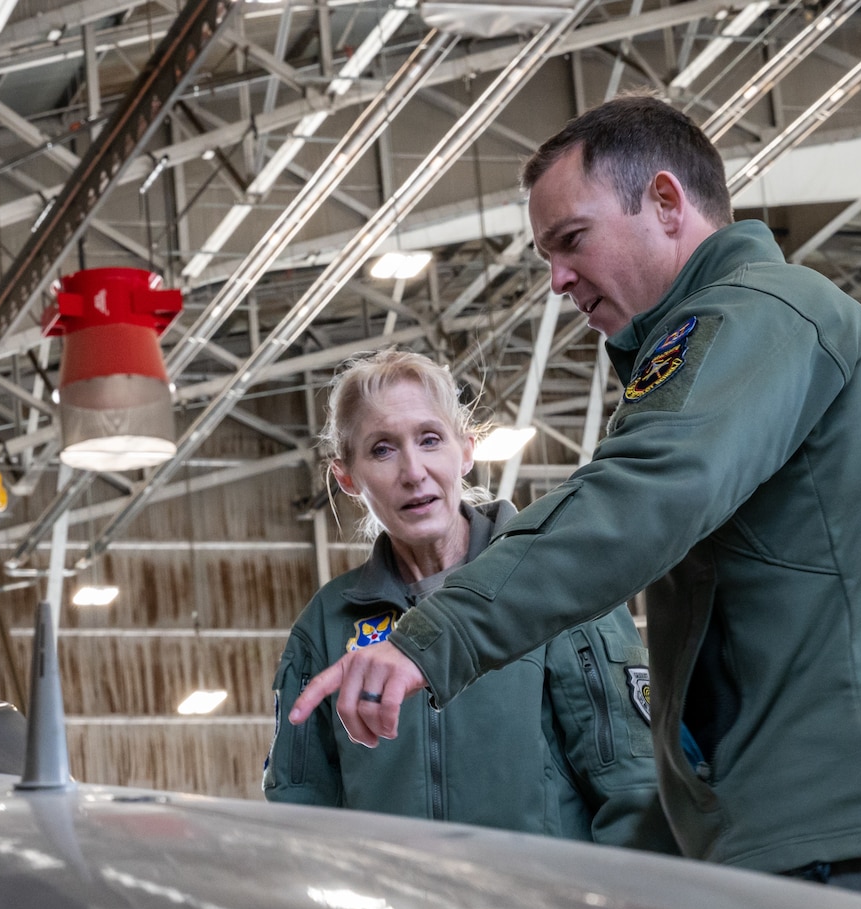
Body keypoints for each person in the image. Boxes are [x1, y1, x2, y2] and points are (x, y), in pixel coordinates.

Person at [288, 96, 861, 909]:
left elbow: (643, 493)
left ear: (666, 204)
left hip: (844, 832)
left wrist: (435, 633)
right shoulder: (735, 336)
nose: (557, 279)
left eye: (571, 240)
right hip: (801, 830)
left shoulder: (758, 315)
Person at [266, 351, 674, 849]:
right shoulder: (327, 627)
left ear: (466, 450)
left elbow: (633, 788)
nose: (413, 472)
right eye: (381, 450)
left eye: (430, 440)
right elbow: (300, 819)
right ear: (346, 477)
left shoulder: (555, 589)